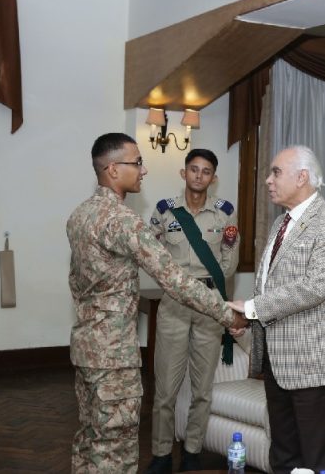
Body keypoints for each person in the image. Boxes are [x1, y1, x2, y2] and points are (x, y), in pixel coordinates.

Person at [66, 133, 247, 473]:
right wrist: (228, 314)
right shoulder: (123, 221)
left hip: (86, 344)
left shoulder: (80, 215)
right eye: (137, 163)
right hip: (114, 353)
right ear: (113, 169)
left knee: (90, 438)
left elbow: (76, 282)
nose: (143, 170)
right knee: (114, 449)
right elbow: (174, 279)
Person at [229, 145, 325, 474]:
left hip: (315, 365)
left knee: (319, 459)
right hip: (278, 363)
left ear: (302, 177)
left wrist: (252, 308)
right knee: (284, 457)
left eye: (276, 172)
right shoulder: (280, 224)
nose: (268, 180)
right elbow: (272, 286)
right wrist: (249, 319)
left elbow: (313, 288)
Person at [146, 149, 240, 473]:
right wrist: (174, 284)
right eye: (194, 169)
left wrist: (210, 291)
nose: (199, 176)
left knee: (202, 390)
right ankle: (161, 455)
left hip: (209, 305)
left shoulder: (224, 213)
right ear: (183, 173)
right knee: (165, 391)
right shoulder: (165, 211)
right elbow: (152, 255)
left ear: (213, 178)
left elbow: (229, 262)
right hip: (173, 303)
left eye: (206, 171)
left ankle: (192, 453)